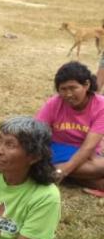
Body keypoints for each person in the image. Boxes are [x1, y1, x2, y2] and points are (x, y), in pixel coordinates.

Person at [35, 61, 104, 195]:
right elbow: (36, 131)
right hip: (57, 150)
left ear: (86, 85)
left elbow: (88, 147)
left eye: (73, 88)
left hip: (88, 154)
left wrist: (64, 170)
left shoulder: (101, 106)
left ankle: (45, 171)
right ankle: (46, 169)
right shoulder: (54, 103)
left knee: (98, 166)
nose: (68, 94)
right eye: (63, 89)